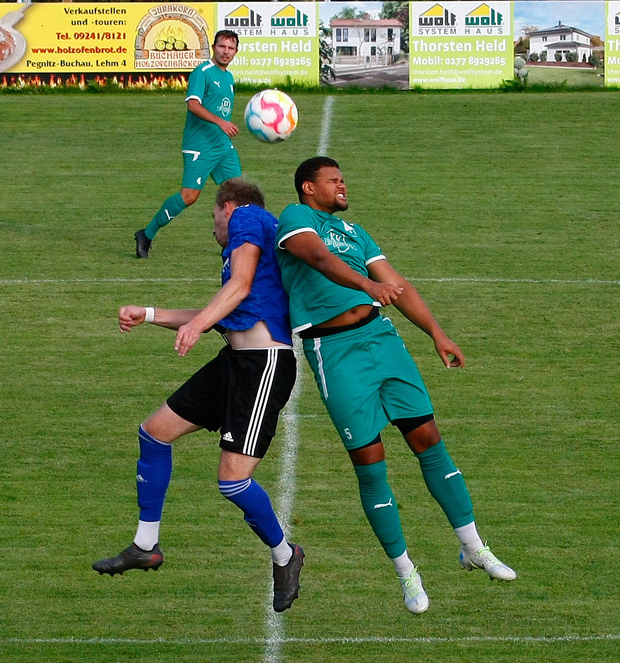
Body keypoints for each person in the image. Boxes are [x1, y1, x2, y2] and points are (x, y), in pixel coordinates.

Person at [275, 157, 515, 615]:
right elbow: (317, 258)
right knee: (371, 463)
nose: (343, 186)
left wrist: (437, 334)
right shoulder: (296, 218)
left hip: (381, 339)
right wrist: (366, 284)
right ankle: (407, 572)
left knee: (429, 440)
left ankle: (473, 547)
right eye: (334, 181)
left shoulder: (356, 231)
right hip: (334, 351)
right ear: (309, 187)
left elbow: (396, 284)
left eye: (344, 179)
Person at [96, 178, 304, 613]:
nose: (212, 227)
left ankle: (286, 555)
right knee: (154, 432)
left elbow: (240, 287)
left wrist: (197, 326)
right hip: (235, 360)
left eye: (212, 217)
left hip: (263, 366)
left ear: (227, 207)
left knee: (232, 481)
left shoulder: (247, 216)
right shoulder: (239, 257)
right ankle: (145, 544)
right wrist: (149, 314)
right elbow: (222, 308)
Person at [134, 30, 241, 259]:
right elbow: (193, 104)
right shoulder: (202, 73)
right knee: (189, 196)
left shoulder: (228, 77)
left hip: (222, 147)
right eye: (222, 46)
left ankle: (233, 244)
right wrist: (221, 122)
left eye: (230, 48)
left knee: (237, 195)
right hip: (199, 146)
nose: (226, 51)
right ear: (214, 47)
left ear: (235, 52)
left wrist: (223, 128)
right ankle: (146, 234)